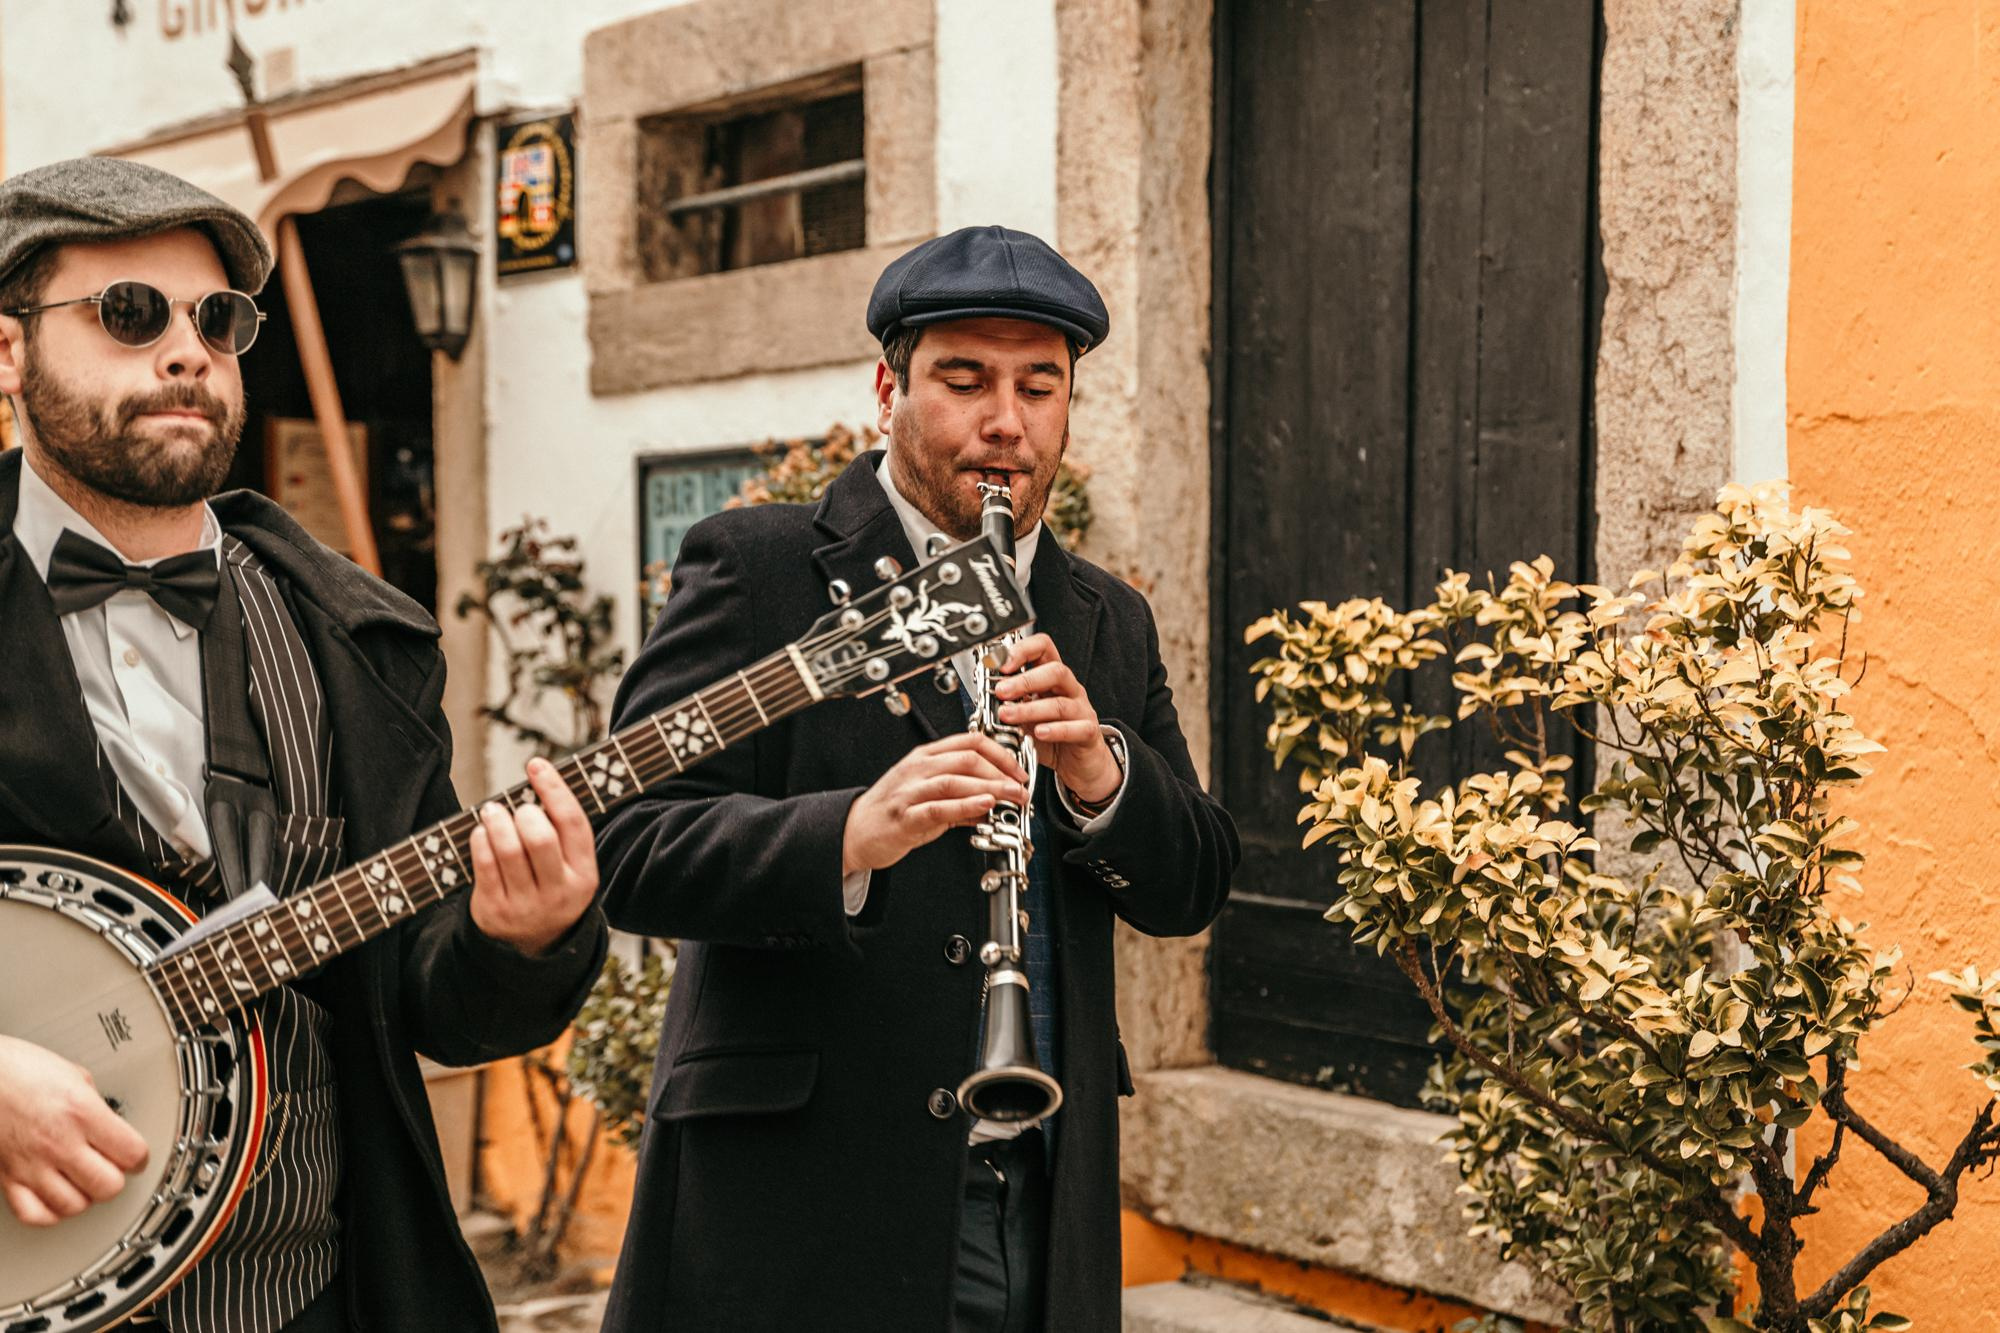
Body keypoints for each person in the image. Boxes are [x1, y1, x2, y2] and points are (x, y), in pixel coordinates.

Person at [0, 158, 607, 1332]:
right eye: (130, 313)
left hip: (311, 1294)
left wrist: (519, 937)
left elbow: (427, 1000)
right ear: (10, 352)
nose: (187, 352)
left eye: (217, 321)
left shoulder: (357, 639)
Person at [597, 224, 1239, 1332]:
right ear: (887, 388)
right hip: (799, 1197)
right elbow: (632, 845)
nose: (1004, 421)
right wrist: (847, 833)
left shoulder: (1104, 619)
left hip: (1036, 1188)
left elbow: (1192, 886)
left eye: (1039, 387)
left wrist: (1096, 771)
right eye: (963, 380)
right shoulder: (756, 569)